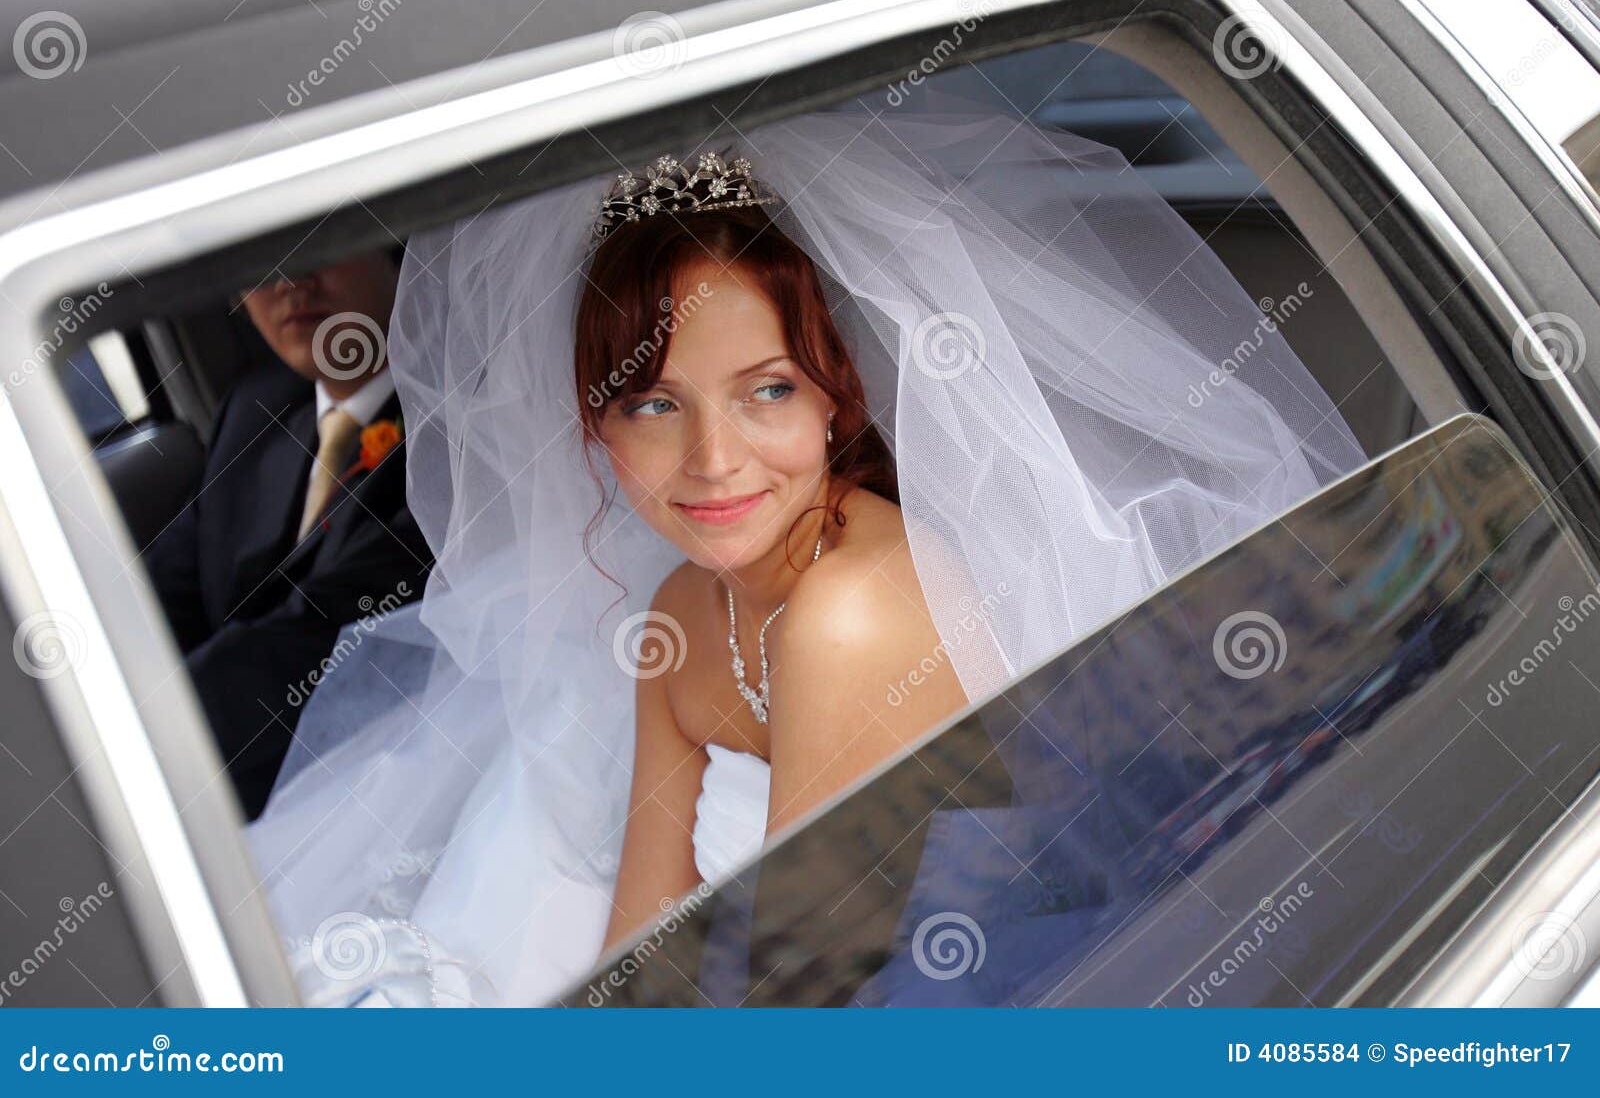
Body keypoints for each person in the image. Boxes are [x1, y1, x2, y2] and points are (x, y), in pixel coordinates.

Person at [247, 89, 1366, 1006]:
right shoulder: (681, 613)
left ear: (837, 396)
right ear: (596, 429)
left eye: (767, 390)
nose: (713, 460)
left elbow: (790, 1001)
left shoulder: (851, 613)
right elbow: (642, 944)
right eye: (654, 404)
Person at [144, 248, 432, 820]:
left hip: (365, 784)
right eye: (261, 255)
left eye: (324, 244)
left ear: (391, 249)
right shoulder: (253, 410)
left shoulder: (453, 429)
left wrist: (130, 733)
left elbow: (315, 638)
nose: (289, 280)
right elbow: (154, 597)